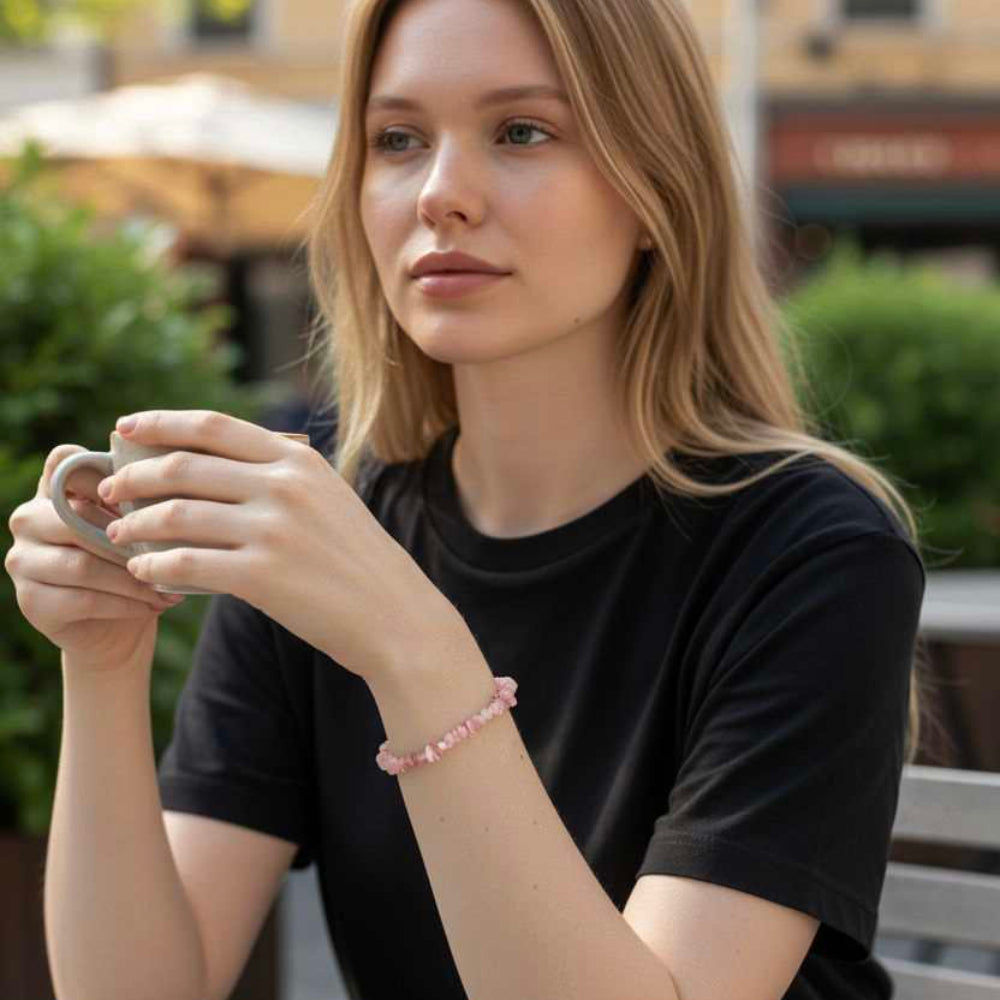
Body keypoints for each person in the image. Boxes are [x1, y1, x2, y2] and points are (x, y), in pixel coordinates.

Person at [5, 1, 933, 999]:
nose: (440, 193)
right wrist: (101, 667)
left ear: (656, 190)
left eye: (522, 131)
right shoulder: (328, 514)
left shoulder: (813, 550)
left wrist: (413, 648)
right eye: (397, 140)